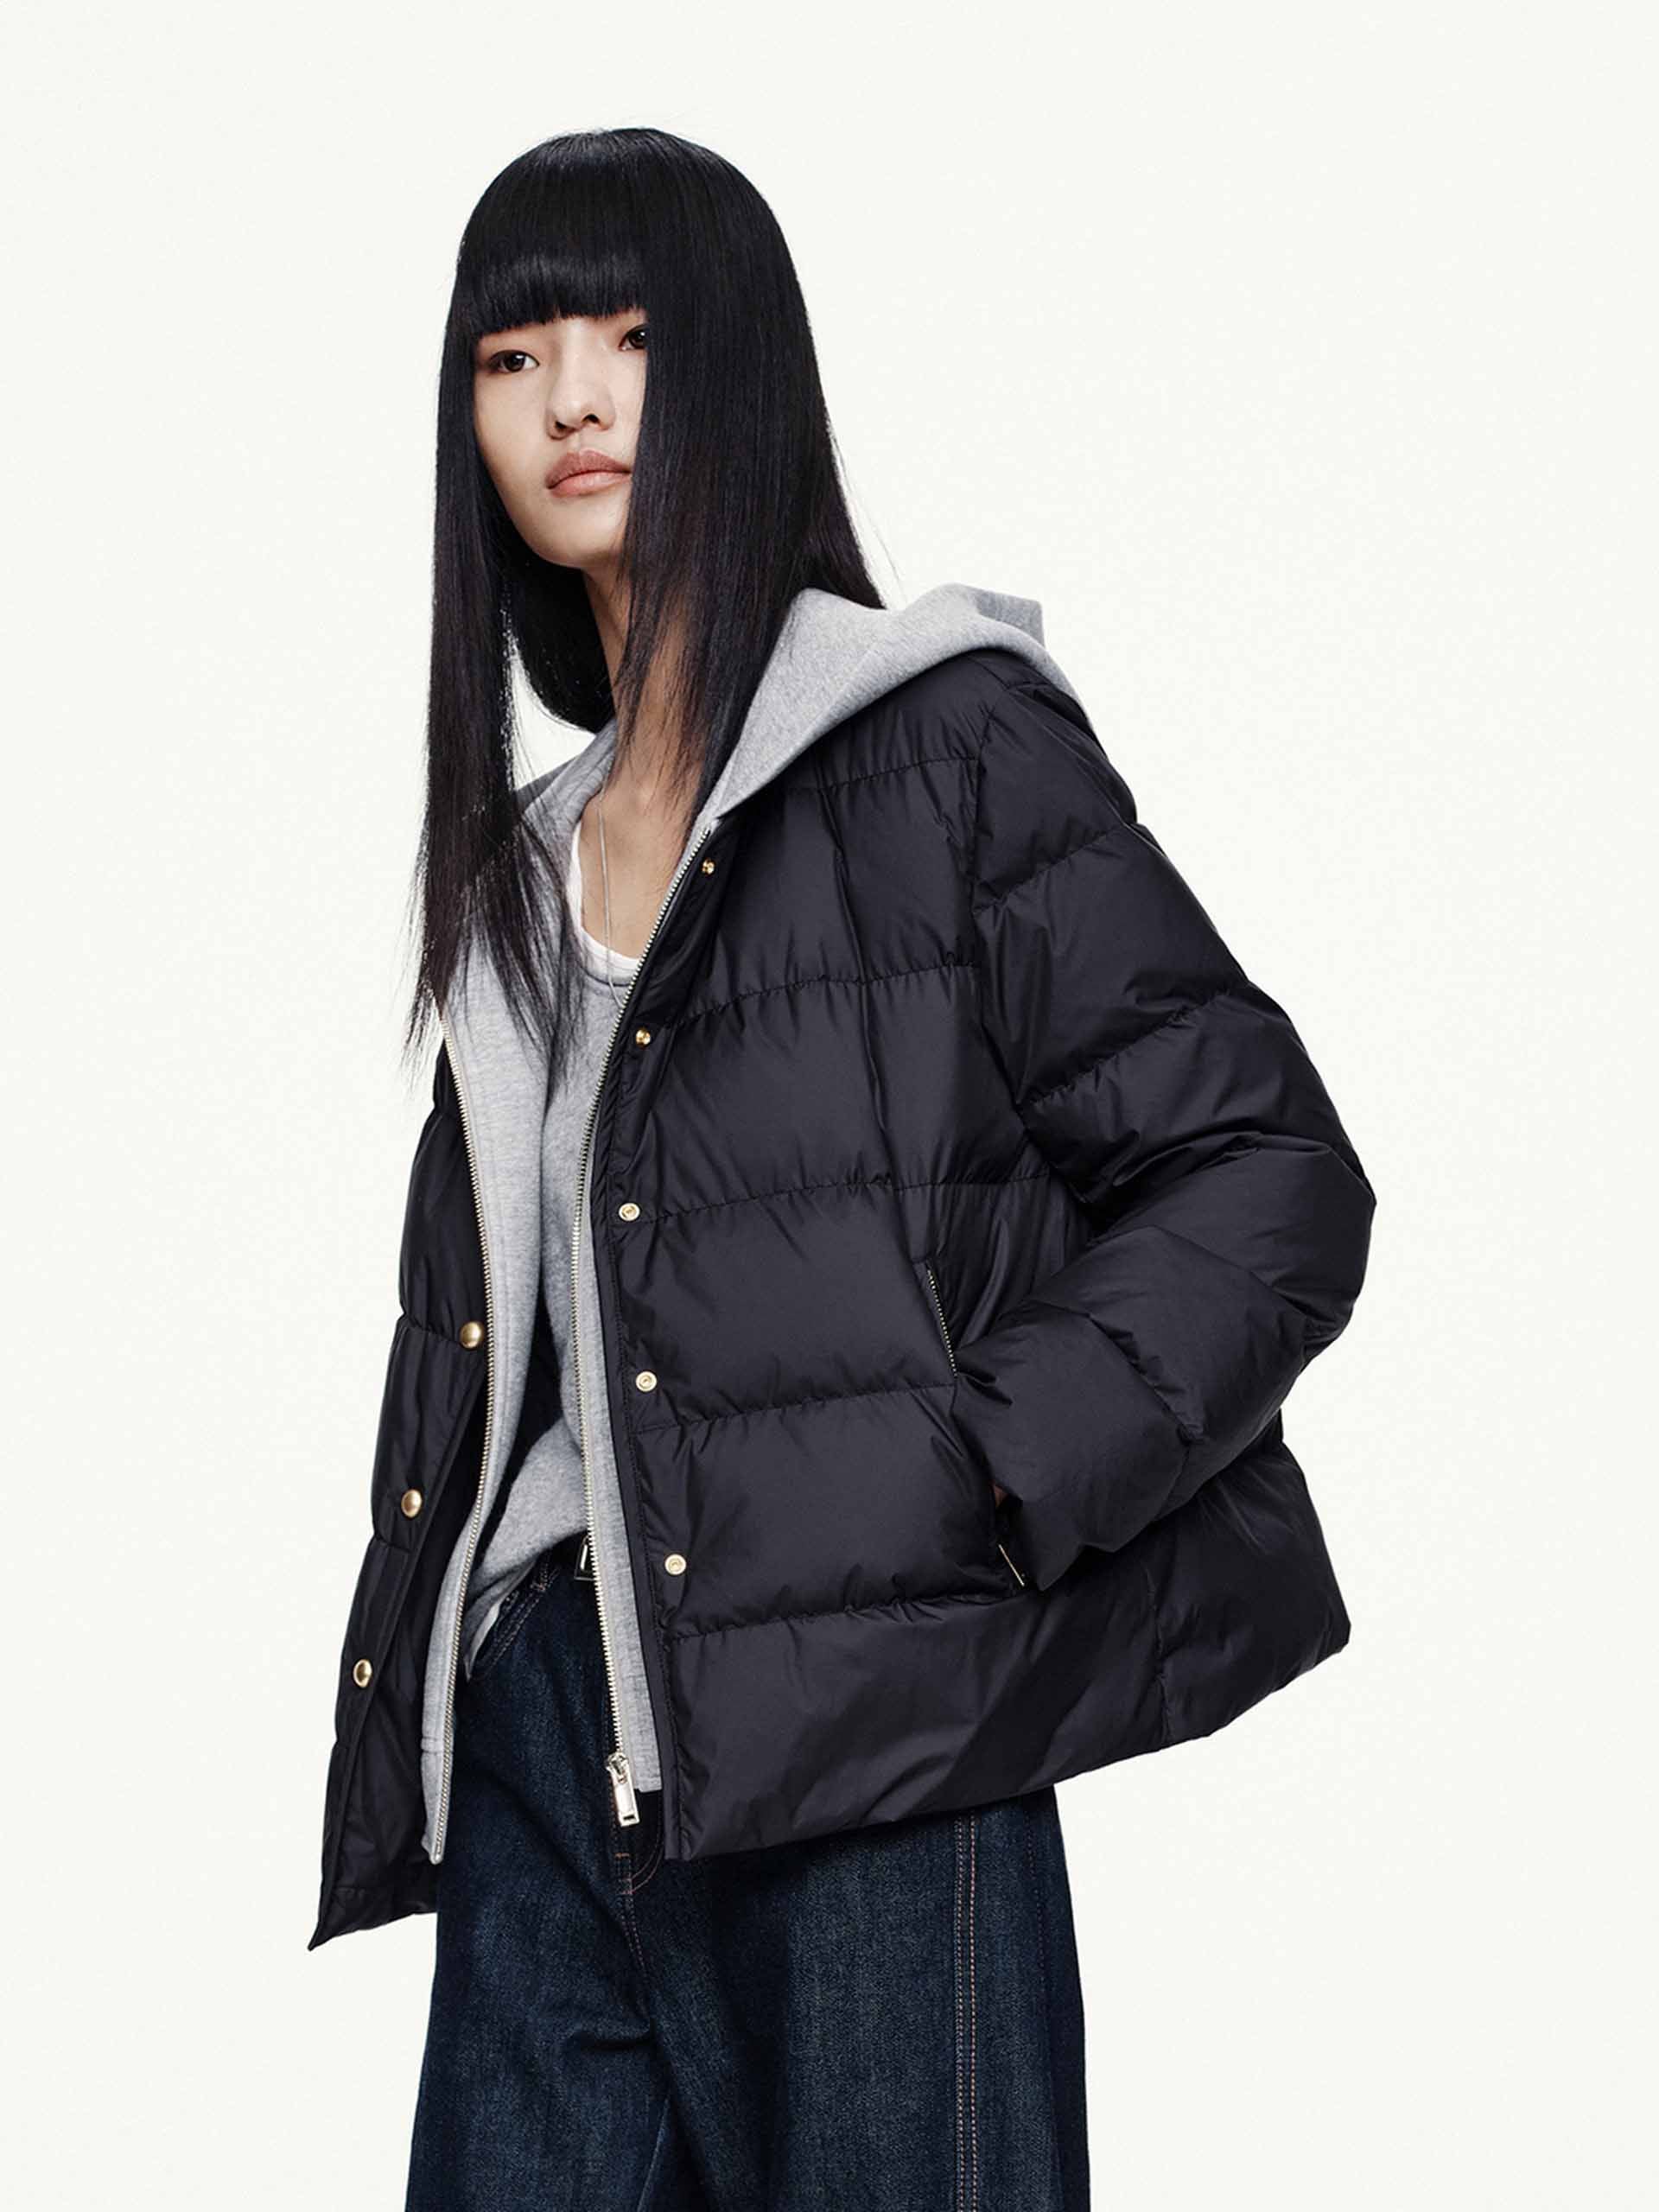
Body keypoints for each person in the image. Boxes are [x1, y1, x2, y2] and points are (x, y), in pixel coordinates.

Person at [308, 127, 1376, 2212]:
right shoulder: (516, 877)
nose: (572, 399)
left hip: (872, 1747)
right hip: (550, 1745)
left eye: (630, 339)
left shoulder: (944, 747)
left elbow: (1270, 1175)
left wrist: (976, 1477)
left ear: (744, 375)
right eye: (512, 359)